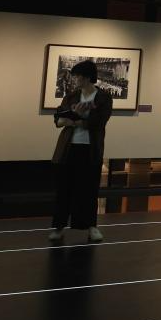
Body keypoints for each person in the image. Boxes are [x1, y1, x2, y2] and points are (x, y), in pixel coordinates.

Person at [49, 60, 113, 243]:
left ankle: (91, 227)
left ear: (86, 77)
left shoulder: (103, 98)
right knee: (64, 189)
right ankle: (59, 227)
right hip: (68, 148)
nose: (74, 79)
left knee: (89, 190)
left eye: (77, 76)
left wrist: (74, 119)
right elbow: (58, 120)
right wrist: (77, 119)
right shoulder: (71, 96)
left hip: (90, 149)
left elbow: (99, 122)